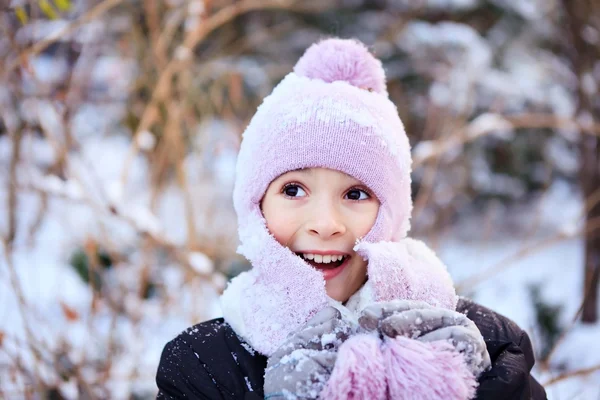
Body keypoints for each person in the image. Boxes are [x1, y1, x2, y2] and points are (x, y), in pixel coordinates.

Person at [156, 38, 547, 400]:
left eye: (355, 194)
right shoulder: (203, 367)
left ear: (392, 213)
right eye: (293, 190)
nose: (326, 223)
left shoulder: (486, 346)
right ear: (256, 207)